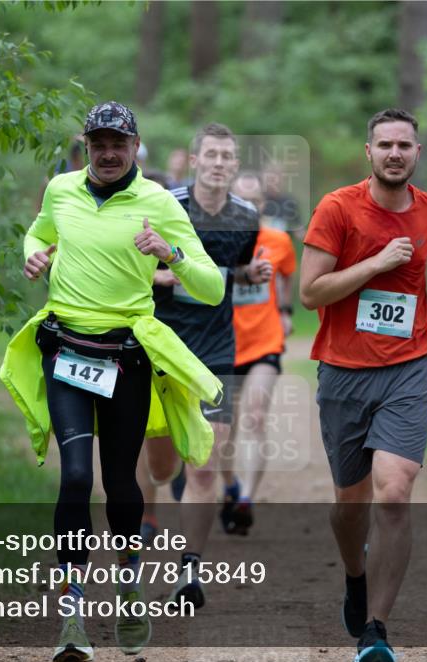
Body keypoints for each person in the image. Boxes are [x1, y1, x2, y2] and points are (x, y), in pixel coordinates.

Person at [0, 101, 226, 662]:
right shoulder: (61, 190)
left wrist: (168, 251)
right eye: (97, 143)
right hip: (67, 350)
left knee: (121, 480)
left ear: (135, 146)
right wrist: (34, 257)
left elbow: (212, 286)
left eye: (117, 143)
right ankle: (72, 616)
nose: (106, 153)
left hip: (126, 357)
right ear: (85, 145)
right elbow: (37, 233)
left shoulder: (157, 203)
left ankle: (129, 587)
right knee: (75, 478)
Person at [299, 108, 427, 662]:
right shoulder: (337, 208)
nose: (395, 153)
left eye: (405, 145)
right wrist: (372, 264)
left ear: (418, 153)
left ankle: (376, 629)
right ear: (367, 153)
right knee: (351, 504)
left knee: (394, 491)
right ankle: (355, 575)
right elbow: (310, 294)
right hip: (344, 372)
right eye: (385, 145)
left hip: (408, 369)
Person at [135, 123, 272, 610]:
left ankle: (188, 574)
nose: (218, 163)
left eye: (227, 156)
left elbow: (229, 275)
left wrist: (247, 274)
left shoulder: (245, 217)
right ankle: (157, 496)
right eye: (210, 154)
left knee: (207, 468)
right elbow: (126, 264)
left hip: (216, 350)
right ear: (193, 161)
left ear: (235, 166)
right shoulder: (162, 203)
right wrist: (161, 274)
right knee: (161, 464)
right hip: (163, 347)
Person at [218, 171, 297, 535]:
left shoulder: (279, 240)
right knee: (222, 430)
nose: (249, 207)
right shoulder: (216, 241)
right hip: (221, 344)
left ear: (264, 204)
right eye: (241, 200)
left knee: (253, 418)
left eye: (256, 201)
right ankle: (230, 486)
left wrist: (285, 313)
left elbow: (285, 281)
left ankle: (247, 498)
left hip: (264, 342)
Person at [261, 161, 302, 232]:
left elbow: (298, 227)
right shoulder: (257, 200)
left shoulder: (290, 202)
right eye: (270, 179)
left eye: (277, 177)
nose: (273, 183)